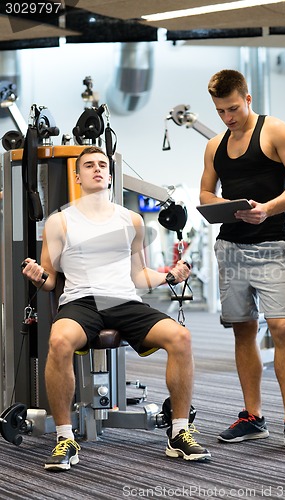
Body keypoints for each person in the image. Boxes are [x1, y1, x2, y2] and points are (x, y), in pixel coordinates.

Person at [22, 145, 211, 471]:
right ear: (78, 176)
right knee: (58, 341)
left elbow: (139, 275)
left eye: (102, 166)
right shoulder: (60, 222)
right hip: (81, 301)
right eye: (89, 166)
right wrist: (39, 278)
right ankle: (65, 438)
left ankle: (179, 432)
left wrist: (169, 275)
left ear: (109, 176)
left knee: (181, 337)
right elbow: (51, 279)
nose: (97, 169)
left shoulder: (132, 220)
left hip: (124, 301)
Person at [199, 69, 285, 453]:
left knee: (281, 328)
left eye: (233, 108)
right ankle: (253, 417)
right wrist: (227, 207)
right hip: (230, 247)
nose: (228, 117)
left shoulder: (275, 131)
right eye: (220, 111)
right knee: (242, 330)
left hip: (270, 246)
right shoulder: (215, 145)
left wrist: (266, 209)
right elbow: (205, 190)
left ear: (247, 99)